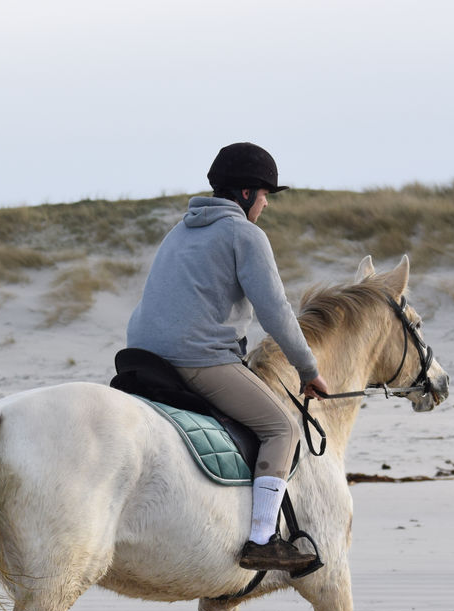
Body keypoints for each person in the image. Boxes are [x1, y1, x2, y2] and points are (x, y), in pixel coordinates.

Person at [126, 142, 330, 572]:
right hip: (196, 360)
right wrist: (309, 370)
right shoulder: (245, 235)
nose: (265, 206)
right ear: (244, 195)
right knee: (281, 426)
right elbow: (276, 313)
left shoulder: (179, 230)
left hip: (141, 355)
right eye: (264, 196)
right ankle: (262, 540)